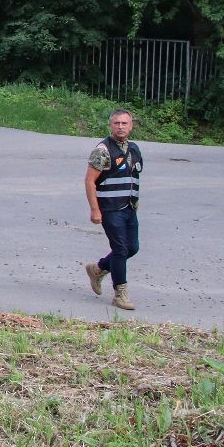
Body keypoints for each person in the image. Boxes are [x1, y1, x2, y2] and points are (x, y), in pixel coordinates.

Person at [84, 108, 141, 312]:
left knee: (132, 248)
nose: (120, 127)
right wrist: (95, 210)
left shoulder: (134, 149)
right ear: (111, 125)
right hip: (110, 209)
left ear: (131, 125)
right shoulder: (103, 150)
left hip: (129, 208)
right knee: (120, 249)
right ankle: (120, 293)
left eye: (124, 123)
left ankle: (98, 269)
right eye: (116, 123)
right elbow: (90, 181)